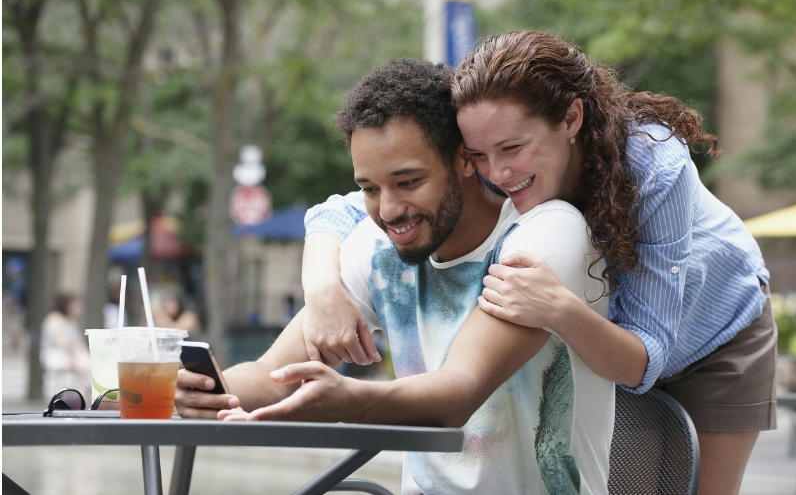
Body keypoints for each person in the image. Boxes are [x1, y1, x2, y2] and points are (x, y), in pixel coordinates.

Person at [301, 30, 777, 495]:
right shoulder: (492, 153)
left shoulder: (653, 166)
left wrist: (560, 310)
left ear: (571, 118)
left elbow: (642, 361)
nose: (499, 173)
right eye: (479, 155)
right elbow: (342, 209)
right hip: (610, 343)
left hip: (716, 336)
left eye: (512, 148)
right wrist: (322, 290)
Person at [176, 58, 614, 494]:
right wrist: (213, 389)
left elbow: (458, 392)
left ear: (465, 159)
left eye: (408, 182)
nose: (387, 210)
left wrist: (349, 400)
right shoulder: (377, 247)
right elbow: (274, 374)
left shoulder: (547, 232)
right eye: (369, 189)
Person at [40, 292, 91, 398]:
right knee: (80, 366)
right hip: (56, 354)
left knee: (88, 365)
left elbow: (78, 343)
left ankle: (83, 397)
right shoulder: (54, 319)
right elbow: (61, 343)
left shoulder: (71, 321)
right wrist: (75, 359)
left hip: (71, 353)